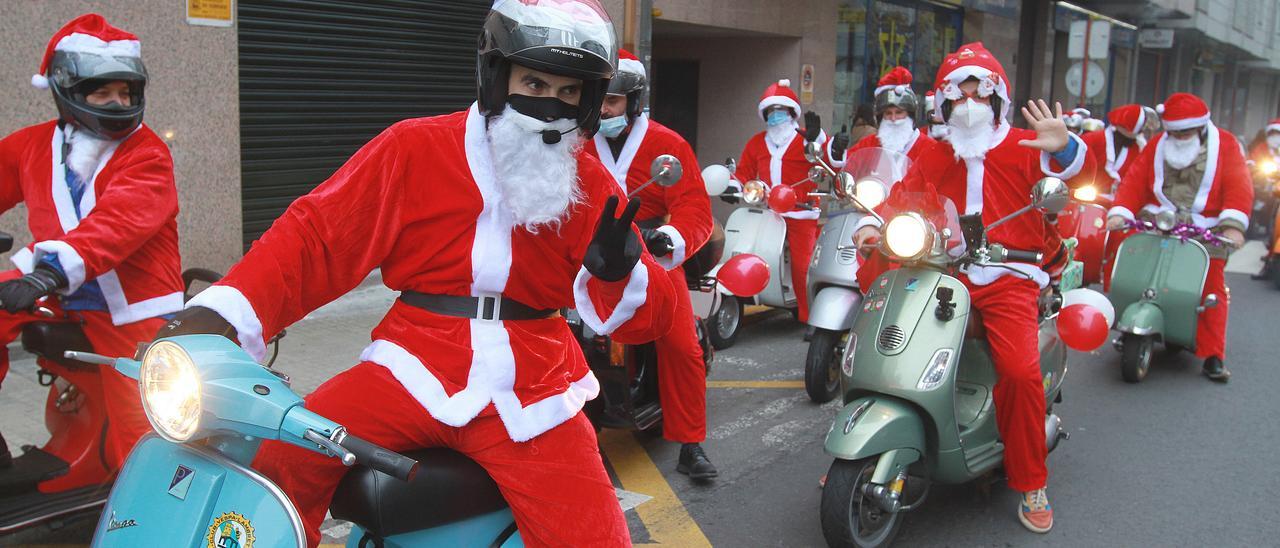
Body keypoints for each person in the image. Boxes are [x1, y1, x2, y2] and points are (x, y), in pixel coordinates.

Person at [161, 2, 675, 546]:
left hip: (535, 389)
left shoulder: (593, 184)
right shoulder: (414, 146)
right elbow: (318, 237)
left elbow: (651, 322)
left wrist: (624, 272)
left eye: (567, 92)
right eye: (534, 82)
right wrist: (225, 311)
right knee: (280, 462)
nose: (548, 105)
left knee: (595, 535)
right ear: (497, 76)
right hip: (410, 367)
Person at [852, 42, 1093, 534]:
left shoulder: (1027, 147)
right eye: (957, 95)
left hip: (1009, 280)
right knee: (889, 337)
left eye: (978, 93)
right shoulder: (937, 154)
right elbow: (904, 200)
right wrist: (873, 226)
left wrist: (1066, 148)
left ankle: (1030, 480)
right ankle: (871, 446)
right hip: (944, 273)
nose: (968, 104)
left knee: (1021, 373)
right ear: (941, 103)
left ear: (997, 99)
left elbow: (1075, 177)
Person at [0, 13, 181, 470]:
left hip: (129, 307)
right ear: (69, 91)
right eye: (102, 91)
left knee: (144, 438)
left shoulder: (148, 155)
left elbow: (116, 225)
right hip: (57, 289)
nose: (117, 103)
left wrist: (49, 273)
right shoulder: (33, 145)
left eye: (126, 92)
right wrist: (43, 276)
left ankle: (146, 520)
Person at [582, 49, 717, 479]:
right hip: (591, 257)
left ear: (634, 100)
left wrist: (670, 237)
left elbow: (695, 210)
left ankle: (691, 443)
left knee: (682, 347)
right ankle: (573, 435)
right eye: (599, 98)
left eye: (614, 101)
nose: (604, 109)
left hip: (653, 256)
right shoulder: (579, 143)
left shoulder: (668, 145)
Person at [1107, 93, 1252, 382]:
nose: (1179, 137)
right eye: (1173, 132)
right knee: (1134, 271)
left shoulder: (1225, 145)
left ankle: (1213, 354)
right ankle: (1127, 327)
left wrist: (1233, 226)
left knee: (1210, 290)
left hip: (1206, 231)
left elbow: (1239, 184)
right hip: (1157, 223)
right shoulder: (1157, 145)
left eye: (1185, 132)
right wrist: (1120, 210)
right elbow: (1134, 179)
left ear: (1199, 127)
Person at [733, 79, 830, 323]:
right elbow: (743, 172)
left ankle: (809, 317)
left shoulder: (807, 141)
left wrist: (819, 139)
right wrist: (733, 186)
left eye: (781, 111)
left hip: (801, 213)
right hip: (768, 212)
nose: (776, 117)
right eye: (771, 112)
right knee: (747, 250)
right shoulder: (756, 142)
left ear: (792, 113)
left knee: (802, 266)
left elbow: (827, 163)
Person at [828, 66, 936, 167]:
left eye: (899, 112)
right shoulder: (871, 144)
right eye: (888, 113)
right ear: (880, 117)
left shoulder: (929, 147)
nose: (893, 119)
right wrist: (837, 151)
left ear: (910, 115)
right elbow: (847, 167)